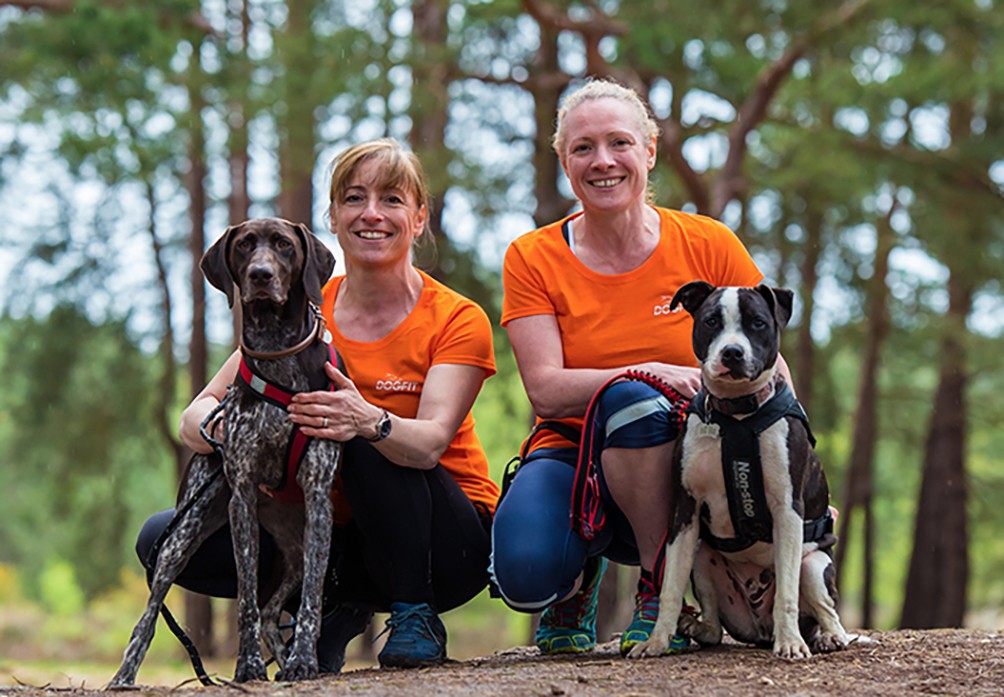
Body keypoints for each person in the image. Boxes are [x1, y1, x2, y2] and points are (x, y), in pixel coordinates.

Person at [137, 138, 498, 672]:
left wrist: (365, 418)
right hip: (334, 538)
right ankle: (320, 606)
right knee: (159, 537)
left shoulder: (456, 318)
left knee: (366, 437)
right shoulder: (301, 313)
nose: (371, 213)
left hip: (444, 544)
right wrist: (217, 432)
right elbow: (200, 414)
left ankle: (414, 610)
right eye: (354, 198)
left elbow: (428, 445)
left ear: (419, 218)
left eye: (393, 200)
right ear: (333, 216)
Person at [490, 79, 793, 657]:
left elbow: (769, 364)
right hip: (571, 449)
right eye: (583, 148)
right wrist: (650, 369)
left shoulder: (706, 242)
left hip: (695, 453)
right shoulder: (531, 256)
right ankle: (574, 582)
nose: (602, 161)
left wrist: (799, 472)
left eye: (619, 143)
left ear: (649, 152)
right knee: (526, 572)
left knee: (636, 406)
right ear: (564, 161)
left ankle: (662, 594)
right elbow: (548, 392)